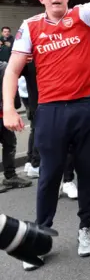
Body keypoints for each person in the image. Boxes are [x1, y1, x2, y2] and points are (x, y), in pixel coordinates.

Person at [2, 0, 90, 270]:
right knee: (49, 175)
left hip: (87, 107)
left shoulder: (82, 15)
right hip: (51, 110)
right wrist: (8, 108)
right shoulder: (30, 26)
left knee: (88, 172)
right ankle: (39, 237)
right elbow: (12, 71)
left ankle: (85, 229)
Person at [0, 61, 31, 193]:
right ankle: (10, 175)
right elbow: (13, 93)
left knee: (9, 144)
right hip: (3, 114)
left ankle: (11, 176)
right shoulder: (4, 67)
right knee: (10, 144)